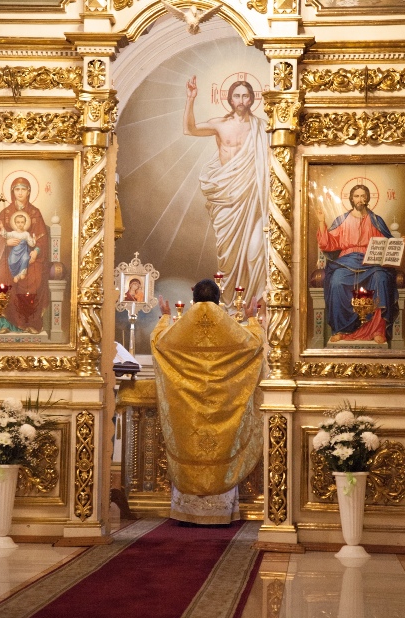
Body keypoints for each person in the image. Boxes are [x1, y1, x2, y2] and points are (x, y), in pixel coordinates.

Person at [151, 278, 264, 526]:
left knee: (191, 446)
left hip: (187, 407)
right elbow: (256, 345)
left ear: (193, 299)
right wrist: (252, 318)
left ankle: (187, 512)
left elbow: (158, 343)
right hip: (224, 406)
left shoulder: (182, 327)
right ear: (217, 298)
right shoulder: (229, 326)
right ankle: (220, 512)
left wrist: (165, 317)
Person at [183, 76, 269, 311]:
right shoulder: (220, 124)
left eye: (245, 96)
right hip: (226, 198)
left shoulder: (262, 128)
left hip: (252, 198)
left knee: (255, 253)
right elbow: (189, 129)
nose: (241, 100)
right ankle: (229, 306)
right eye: (237, 96)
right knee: (227, 256)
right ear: (230, 99)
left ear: (252, 99)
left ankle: (254, 307)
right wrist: (190, 99)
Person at [317, 184, 405, 344]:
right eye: (357, 196)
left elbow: (388, 244)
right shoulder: (342, 220)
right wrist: (321, 222)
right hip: (347, 261)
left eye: (363, 196)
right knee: (336, 281)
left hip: (372, 262)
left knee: (381, 278)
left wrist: (399, 242)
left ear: (367, 198)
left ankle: (377, 330)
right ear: (352, 199)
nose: (360, 199)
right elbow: (327, 244)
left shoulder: (376, 221)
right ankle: (341, 330)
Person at [0, 176, 49, 334]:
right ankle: (4, 323)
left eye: (23, 189)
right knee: (1, 277)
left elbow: (42, 240)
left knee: (34, 278)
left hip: (29, 258)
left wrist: (36, 252)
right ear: (12, 191)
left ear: (29, 191)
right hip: (7, 256)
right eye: (17, 189)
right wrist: (5, 242)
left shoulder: (35, 213)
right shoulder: (5, 212)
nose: (20, 192)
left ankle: (30, 322)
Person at [0, 214, 40, 283]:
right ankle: (16, 275)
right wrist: (2, 227)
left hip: (23, 251)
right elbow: (5, 235)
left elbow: (31, 244)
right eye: (18, 222)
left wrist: (34, 240)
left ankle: (21, 274)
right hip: (15, 252)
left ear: (25, 223)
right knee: (12, 261)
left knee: (26, 258)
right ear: (15, 223)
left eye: (22, 222)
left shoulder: (26, 234)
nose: (20, 224)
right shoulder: (13, 233)